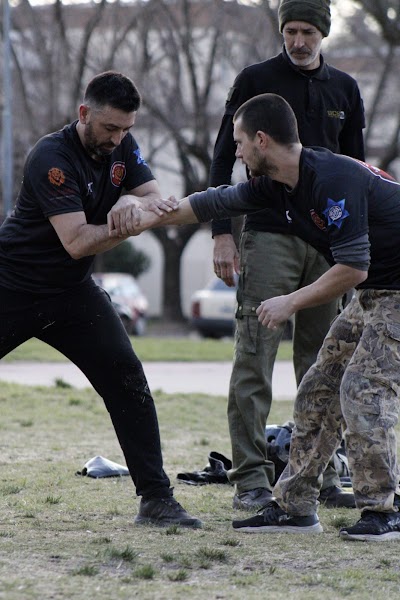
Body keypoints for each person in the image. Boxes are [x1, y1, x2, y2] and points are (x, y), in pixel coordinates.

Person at [123, 92, 400, 542]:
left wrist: (290, 301)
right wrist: (145, 217)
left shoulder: (332, 177)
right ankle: (294, 508)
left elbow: (353, 266)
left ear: (261, 140)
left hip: (392, 290)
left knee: (363, 390)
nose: (235, 151)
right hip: (374, 294)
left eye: (238, 142)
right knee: (318, 388)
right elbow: (213, 203)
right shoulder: (278, 185)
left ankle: (384, 511)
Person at [0, 71, 202, 529]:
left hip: (72, 294)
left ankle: (156, 498)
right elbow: (76, 241)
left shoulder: (123, 147)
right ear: (84, 114)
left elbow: (156, 201)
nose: (118, 138)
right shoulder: (51, 156)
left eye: (126, 129)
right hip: (12, 284)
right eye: (110, 128)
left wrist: (131, 209)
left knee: (127, 377)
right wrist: (121, 225)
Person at [208, 0, 365, 511]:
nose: (298, 41)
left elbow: (357, 169)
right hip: (270, 232)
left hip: (327, 240)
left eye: (307, 32)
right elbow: (221, 155)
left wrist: (357, 243)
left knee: (324, 363)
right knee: (256, 355)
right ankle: (251, 477)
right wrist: (221, 233)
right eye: (290, 30)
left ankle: (320, 475)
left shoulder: (345, 88)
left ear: (323, 34)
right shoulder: (255, 78)